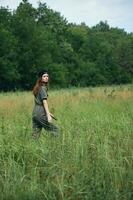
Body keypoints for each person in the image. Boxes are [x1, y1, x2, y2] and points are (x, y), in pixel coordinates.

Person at [32, 70, 58, 139]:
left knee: (35, 135)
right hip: (40, 112)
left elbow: (39, 101)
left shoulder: (38, 88)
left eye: (47, 76)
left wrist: (49, 113)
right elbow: (44, 102)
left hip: (35, 112)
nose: (46, 78)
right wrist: (48, 115)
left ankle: (33, 147)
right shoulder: (43, 88)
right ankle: (54, 146)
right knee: (55, 130)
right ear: (40, 78)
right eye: (44, 76)